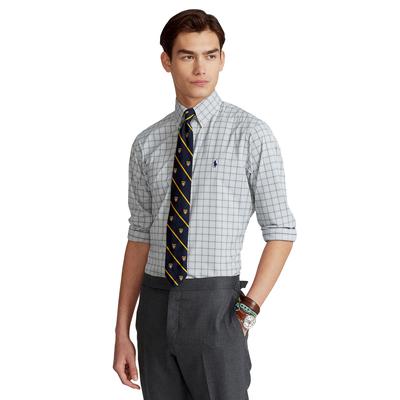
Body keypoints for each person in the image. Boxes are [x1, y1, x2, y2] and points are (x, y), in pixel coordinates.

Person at [113, 8, 297, 400]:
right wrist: (121, 331)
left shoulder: (251, 134)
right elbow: (139, 237)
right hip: (154, 305)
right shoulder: (147, 143)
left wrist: (247, 310)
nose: (201, 68)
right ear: (167, 61)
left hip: (217, 308)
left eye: (210, 55)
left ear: (222, 59)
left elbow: (281, 230)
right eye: (187, 56)